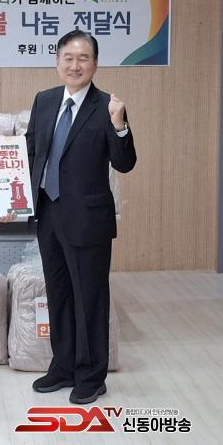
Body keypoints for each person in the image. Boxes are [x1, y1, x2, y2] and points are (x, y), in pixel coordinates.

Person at [25, 30, 137, 404]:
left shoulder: (107, 106)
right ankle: (63, 365)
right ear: (57, 61)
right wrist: (17, 197)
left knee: (89, 297)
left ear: (95, 64)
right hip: (49, 211)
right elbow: (31, 152)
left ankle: (91, 375)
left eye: (83, 58)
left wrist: (120, 126)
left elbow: (125, 163)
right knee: (58, 293)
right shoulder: (44, 101)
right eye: (68, 58)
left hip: (88, 220)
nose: (75, 65)